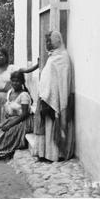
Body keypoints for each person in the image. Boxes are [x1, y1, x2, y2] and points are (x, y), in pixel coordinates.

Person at [33, 31, 75, 161]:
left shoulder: (63, 58)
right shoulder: (52, 56)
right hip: (47, 97)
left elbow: (63, 82)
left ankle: (55, 154)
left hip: (55, 98)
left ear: (57, 41)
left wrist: (56, 98)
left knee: (53, 125)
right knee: (46, 126)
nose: (48, 44)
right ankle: (45, 153)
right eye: (46, 41)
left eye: (50, 41)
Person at [0, 47, 37, 140]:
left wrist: (38, 65)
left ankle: (1, 139)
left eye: (1, 55)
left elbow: (25, 70)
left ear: (6, 57)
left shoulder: (12, 68)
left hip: (5, 97)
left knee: (3, 117)